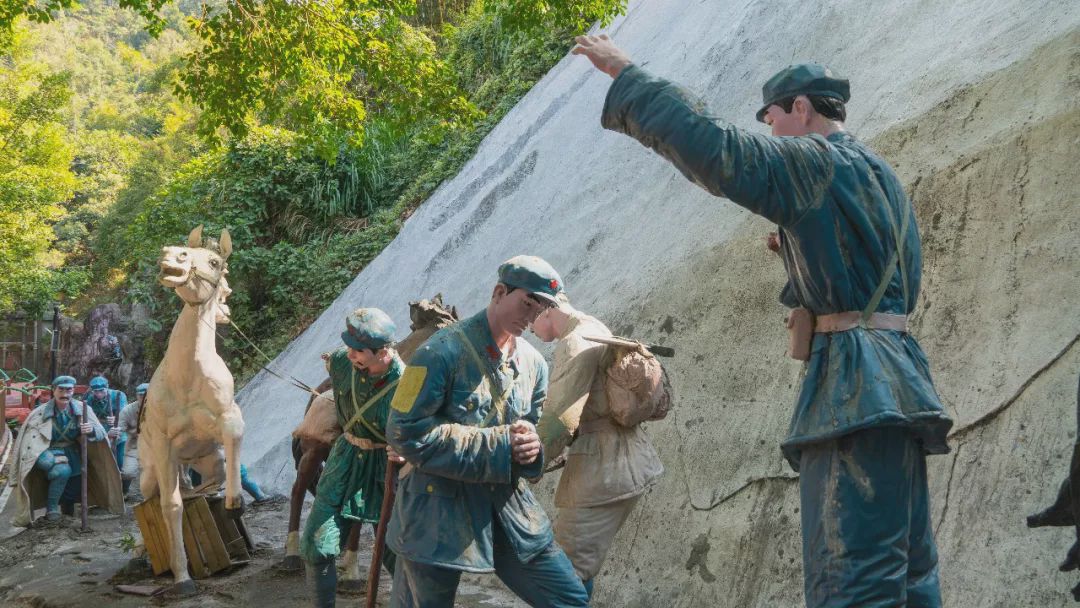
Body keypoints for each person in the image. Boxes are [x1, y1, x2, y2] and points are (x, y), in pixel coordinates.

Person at [573, 36, 953, 607]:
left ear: (801, 110)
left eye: (774, 117)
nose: (772, 132)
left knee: (850, 579)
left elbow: (719, 150)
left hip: (853, 393)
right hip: (900, 388)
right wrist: (803, 253)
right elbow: (882, 282)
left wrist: (625, 74)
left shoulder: (815, 162)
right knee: (909, 576)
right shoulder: (882, 176)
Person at [385, 255, 589, 608]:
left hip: (507, 508)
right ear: (498, 292)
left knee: (569, 599)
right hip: (437, 509)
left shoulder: (533, 365)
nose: (533, 316)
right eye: (527, 302)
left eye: (541, 307)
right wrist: (500, 443)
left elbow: (532, 438)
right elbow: (403, 432)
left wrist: (532, 450)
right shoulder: (437, 352)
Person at [532, 293, 663, 598]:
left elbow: (560, 418)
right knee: (578, 566)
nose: (531, 329)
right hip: (627, 460)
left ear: (545, 307)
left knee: (563, 573)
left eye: (531, 321)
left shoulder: (573, 341)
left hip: (602, 471)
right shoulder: (595, 326)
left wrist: (529, 462)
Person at [300, 307, 403, 607]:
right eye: (349, 347)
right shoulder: (343, 362)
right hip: (344, 462)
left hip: (386, 469)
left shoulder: (407, 383)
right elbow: (336, 363)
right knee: (316, 545)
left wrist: (406, 450)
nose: (351, 354)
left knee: (399, 553)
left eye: (359, 350)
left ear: (383, 351)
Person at [7, 375, 123, 526]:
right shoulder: (40, 413)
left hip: (72, 453)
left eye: (69, 390)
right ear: (53, 391)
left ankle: (67, 515)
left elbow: (101, 434)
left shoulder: (83, 409)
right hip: (46, 451)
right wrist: (51, 458)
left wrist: (91, 430)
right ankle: (52, 510)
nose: (65, 394)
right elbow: (29, 443)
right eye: (61, 390)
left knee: (72, 486)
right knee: (61, 471)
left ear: (73, 391)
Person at [85, 375, 127, 469]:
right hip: (101, 431)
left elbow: (125, 414)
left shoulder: (118, 395)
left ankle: (122, 481)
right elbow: (87, 415)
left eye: (102, 391)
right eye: (96, 391)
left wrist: (117, 418)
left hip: (117, 429)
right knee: (101, 461)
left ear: (107, 387)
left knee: (120, 462)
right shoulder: (89, 398)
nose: (99, 394)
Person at [117, 382, 148, 497]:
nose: (144, 398)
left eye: (147, 395)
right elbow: (120, 428)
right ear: (137, 396)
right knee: (128, 473)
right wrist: (115, 434)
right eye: (141, 395)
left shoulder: (160, 408)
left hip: (156, 446)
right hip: (135, 444)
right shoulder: (128, 410)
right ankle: (124, 491)